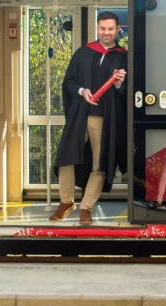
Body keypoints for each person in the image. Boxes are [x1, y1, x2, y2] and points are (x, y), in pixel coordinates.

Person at [49, 11, 127, 225]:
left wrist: (120, 84)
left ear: (117, 29)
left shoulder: (123, 56)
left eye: (110, 29)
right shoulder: (83, 52)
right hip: (81, 115)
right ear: (97, 29)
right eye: (103, 28)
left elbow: (129, 94)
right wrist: (82, 90)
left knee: (98, 164)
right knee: (66, 157)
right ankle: (66, 202)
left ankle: (86, 207)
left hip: (104, 119)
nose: (106, 33)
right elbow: (69, 81)